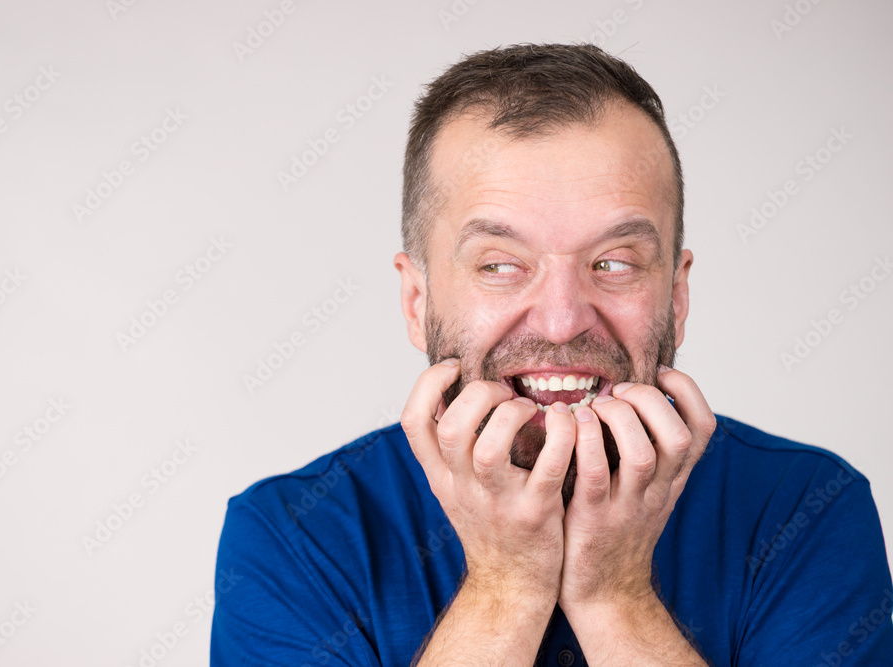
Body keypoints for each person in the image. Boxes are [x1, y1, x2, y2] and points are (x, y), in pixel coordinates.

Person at [211, 43, 893, 666]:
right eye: (501, 265)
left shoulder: (807, 509)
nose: (563, 320)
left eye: (615, 261)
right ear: (417, 302)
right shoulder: (292, 538)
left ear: (677, 294)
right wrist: (506, 586)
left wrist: (615, 595)